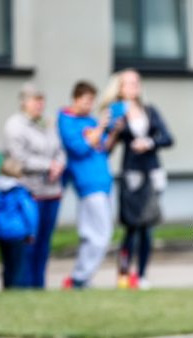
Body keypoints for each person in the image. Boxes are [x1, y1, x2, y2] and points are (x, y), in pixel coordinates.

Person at [100, 69, 174, 290]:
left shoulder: (150, 111)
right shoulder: (115, 112)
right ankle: (123, 274)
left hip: (152, 173)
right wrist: (114, 129)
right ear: (120, 88)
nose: (134, 86)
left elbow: (168, 138)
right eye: (129, 83)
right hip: (131, 175)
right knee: (131, 227)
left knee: (147, 228)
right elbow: (107, 147)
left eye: (136, 82)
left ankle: (141, 275)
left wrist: (149, 143)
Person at [3, 82, 66, 288]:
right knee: (30, 241)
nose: (39, 104)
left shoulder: (48, 123)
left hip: (52, 191)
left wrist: (58, 164)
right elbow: (20, 158)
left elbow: (60, 149)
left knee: (44, 243)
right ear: (24, 102)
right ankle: (25, 284)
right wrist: (49, 165)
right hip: (29, 192)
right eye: (34, 100)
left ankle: (39, 283)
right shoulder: (15, 125)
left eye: (41, 100)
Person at [58, 80, 117, 288]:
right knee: (101, 234)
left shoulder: (90, 120)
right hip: (88, 184)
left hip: (104, 182)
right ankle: (80, 277)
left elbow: (103, 148)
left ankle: (81, 277)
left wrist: (113, 130)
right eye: (87, 100)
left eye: (93, 100)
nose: (90, 105)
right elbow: (80, 149)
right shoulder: (66, 120)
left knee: (91, 233)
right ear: (75, 99)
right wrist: (100, 127)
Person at [0, 157, 38, 288]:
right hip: (18, 232)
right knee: (19, 265)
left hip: (1, 231)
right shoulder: (20, 191)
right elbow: (30, 212)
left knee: (7, 264)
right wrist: (32, 231)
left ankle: (7, 286)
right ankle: (17, 288)